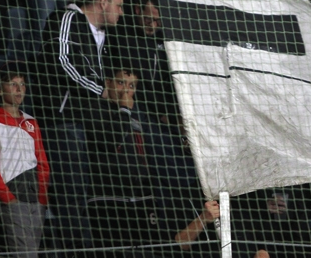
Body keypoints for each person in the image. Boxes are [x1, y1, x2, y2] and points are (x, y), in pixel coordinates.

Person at [84, 62, 220, 256]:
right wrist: (124, 110)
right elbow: (111, 143)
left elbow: (160, 153)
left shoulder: (140, 116)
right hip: (109, 200)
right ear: (108, 83)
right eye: (121, 83)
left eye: (132, 86)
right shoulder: (96, 110)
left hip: (142, 200)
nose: (126, 91)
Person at [30, 0, 123, 253]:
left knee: (86, 195)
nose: (122, 11)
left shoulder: (104, 36)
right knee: (71, 198)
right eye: (118, 5)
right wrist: (102, 90)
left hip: (89, 125)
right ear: (102, 1)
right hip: (64, 123)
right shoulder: (66, 17)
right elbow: (62, 60)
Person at [0, 62, 49, 257]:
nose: (19, 89)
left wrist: (42, 197)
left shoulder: (31, 122)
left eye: (22, 84)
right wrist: (8, 198)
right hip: (13, 194)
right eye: (13, 84)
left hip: (36, 196)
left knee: (32, 251)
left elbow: (43, 162)